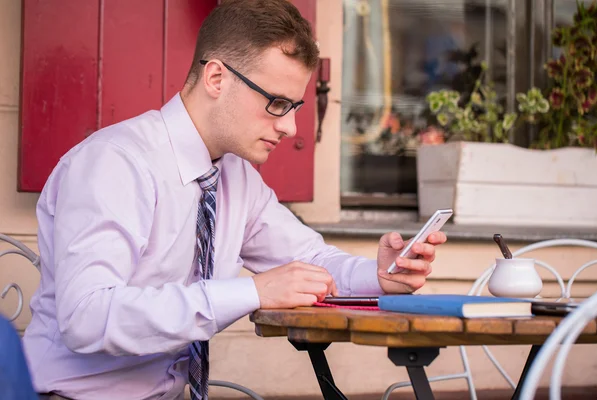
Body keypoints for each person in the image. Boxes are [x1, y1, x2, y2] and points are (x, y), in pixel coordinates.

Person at [22, 0, 447, 399]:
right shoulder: (114, 163)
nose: (292, 128)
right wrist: (252, 292)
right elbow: (87, 316)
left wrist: (380, 277)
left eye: (295, 106)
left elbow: (309, 262)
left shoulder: (235, 177)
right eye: (277, 103)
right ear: (216, 78)